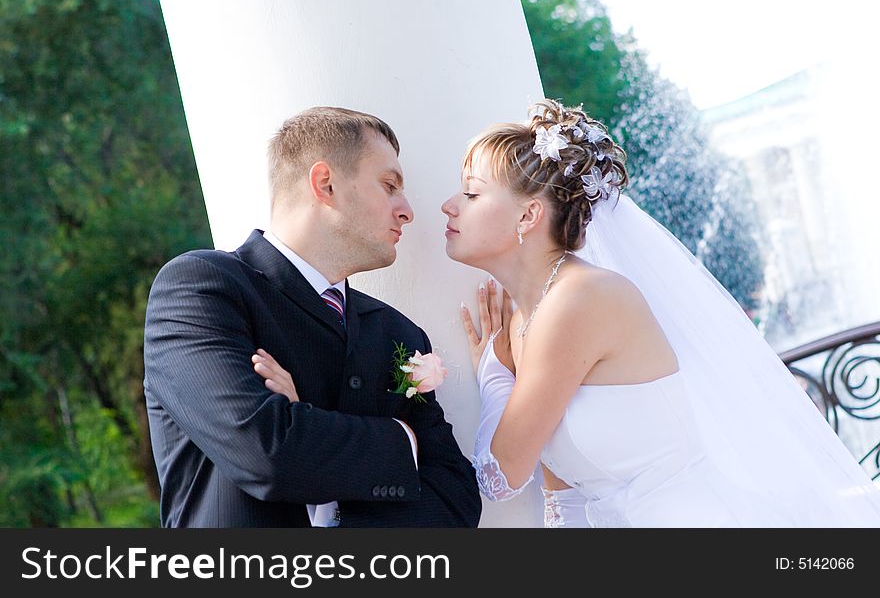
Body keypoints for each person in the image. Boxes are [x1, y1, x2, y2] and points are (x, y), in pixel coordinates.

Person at [442, 98, 880, 527]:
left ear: (528, 215)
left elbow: (500, 476)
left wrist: (494, 375)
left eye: (471, 193)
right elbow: (564, 497)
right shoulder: (525, 320)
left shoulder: (579, 299)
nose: (449, 205)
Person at [144, 106, 480, 527]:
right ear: (325, 184)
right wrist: (403, 440)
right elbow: (266, 452)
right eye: (389, 185)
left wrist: (303, 424)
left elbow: (456, 502)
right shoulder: (201, 288)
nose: (408, 210)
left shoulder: (400, 333)